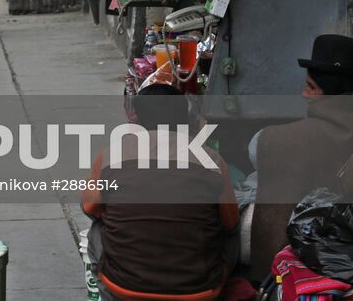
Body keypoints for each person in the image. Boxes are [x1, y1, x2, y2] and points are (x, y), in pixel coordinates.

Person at [82, 84, 241, 299]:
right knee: (232, 236)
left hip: (124, 287)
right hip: (199, 291)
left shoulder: (111, 156)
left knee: (95, 229)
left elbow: (90, 207)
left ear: (135, 117)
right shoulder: (210, 159)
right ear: (184, 117)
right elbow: (230, 222)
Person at [247, 34, 353, 281]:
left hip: (302, 249)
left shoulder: (286, 139)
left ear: (331, 91)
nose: (303, 94)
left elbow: (255, 149)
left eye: (311, 87)